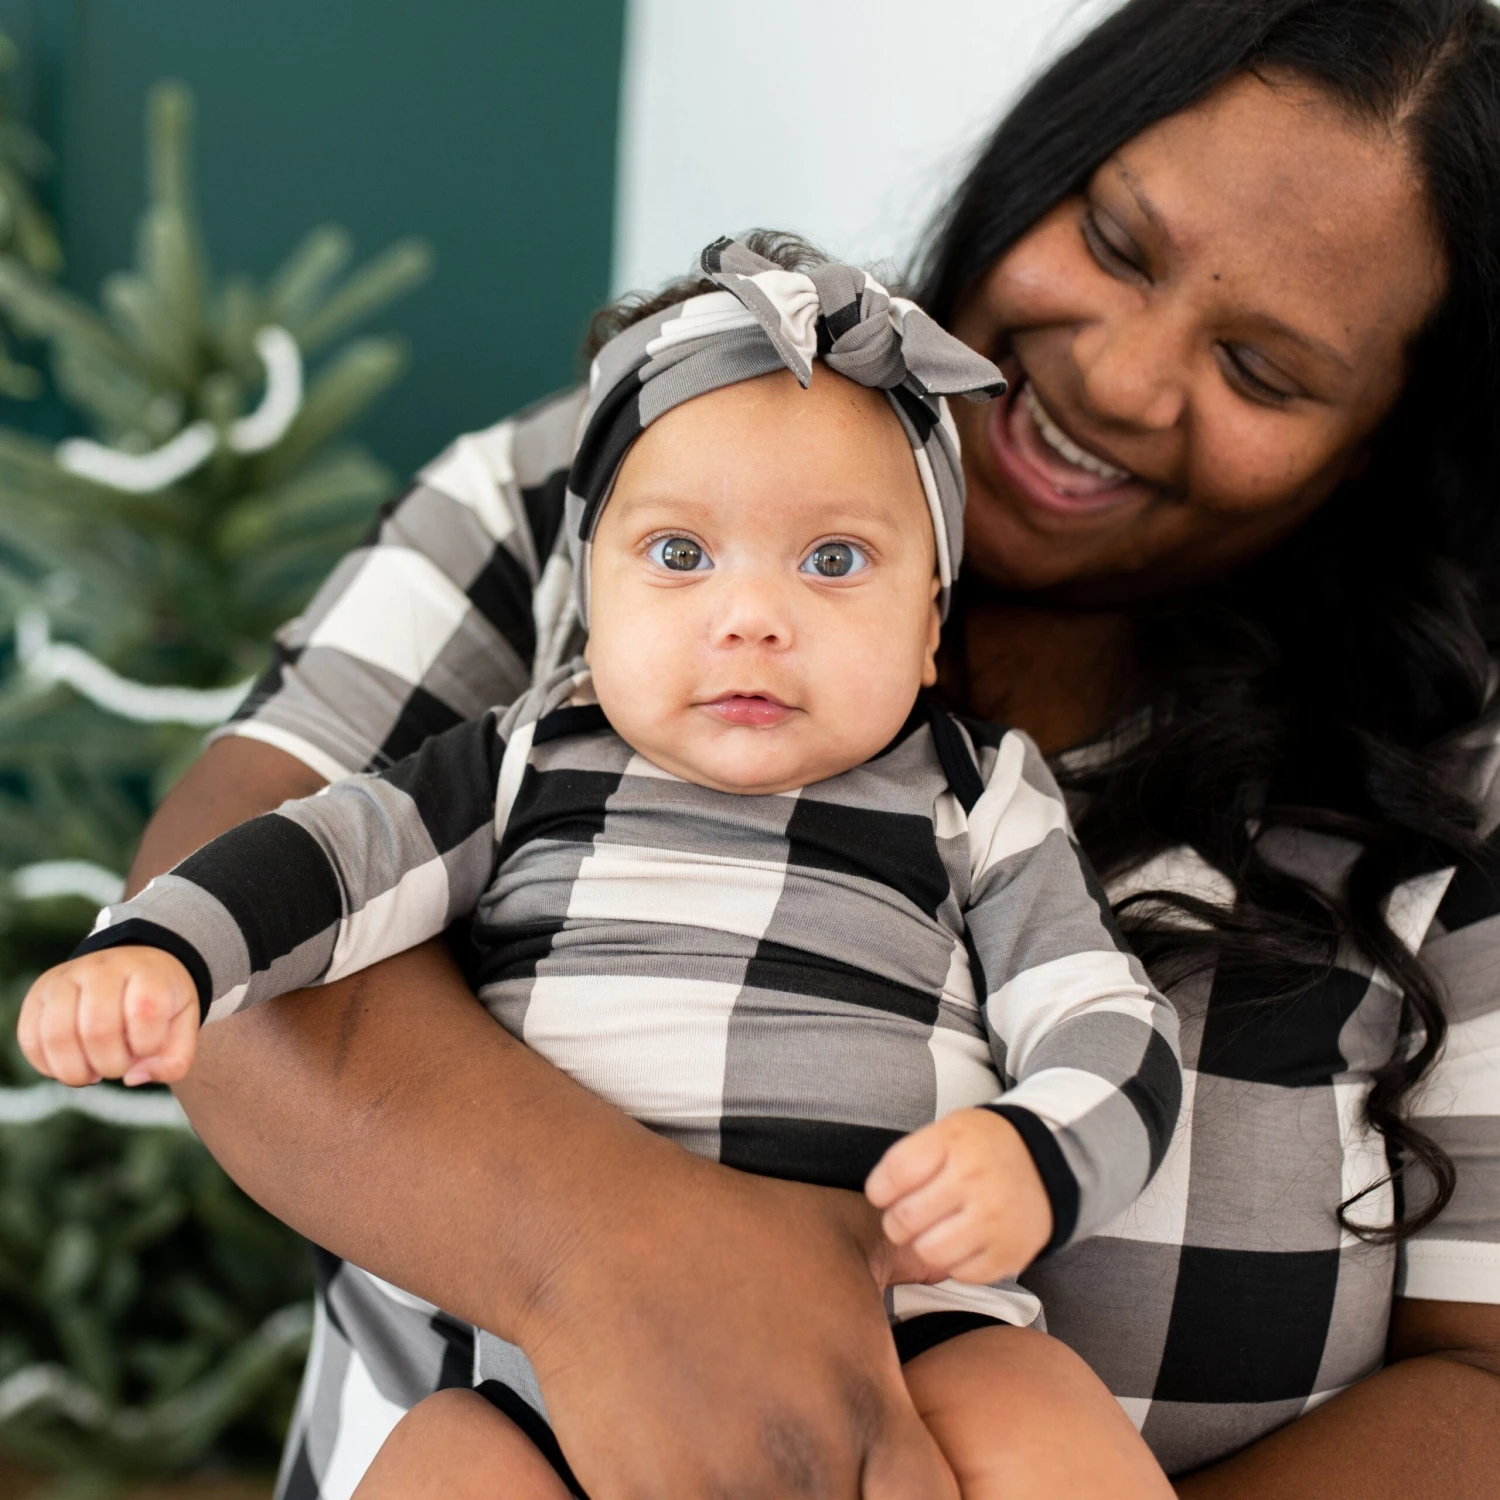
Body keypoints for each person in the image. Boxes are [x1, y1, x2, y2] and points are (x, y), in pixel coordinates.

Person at [98, 0, 1500, 1494]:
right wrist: (603, 1252)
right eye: (1113, 240)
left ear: (1385, 439)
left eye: (1264, 373)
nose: (1121, 377)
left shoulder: (1446, 754)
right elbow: (240, 878)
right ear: (1039, 162)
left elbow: (1479, 1386)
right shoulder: (628, 489)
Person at [20, 238, 1184, 1500]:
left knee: (1041, 1428)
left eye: (834, 561)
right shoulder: (525, 761)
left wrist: (1037, 1155)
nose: (750, 616)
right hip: (538, 1367)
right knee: (437, 1468)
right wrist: (168, 948)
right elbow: (324, 860)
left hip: (910, 1318)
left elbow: (1103, 1019)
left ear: (929, 627)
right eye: (679, 556)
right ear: (590, 597)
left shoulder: (977, 795)